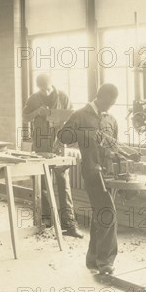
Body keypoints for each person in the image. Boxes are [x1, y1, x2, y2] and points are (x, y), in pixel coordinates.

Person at [55, 83, 120, 275]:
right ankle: (105, 262)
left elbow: (114, 145)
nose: (110, 107)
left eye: (113, 104)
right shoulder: (80, 115)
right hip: (92, 173)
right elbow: (63, 137)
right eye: (108, 102)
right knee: (108, 213)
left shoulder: (111, 119)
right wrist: (85, 134)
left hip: (110, 174)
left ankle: (93, 259)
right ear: (99, 97)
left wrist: (118, 154)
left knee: (101, 214)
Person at [22, 73, 83, 238]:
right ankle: (46, 220)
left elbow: (73, 117)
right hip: (40, 145)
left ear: (52, 85)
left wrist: (64, 133)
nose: (45, 92)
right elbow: (24, 117)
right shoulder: (34, 98)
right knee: (42, 184)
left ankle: (69, 225)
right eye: (42, 90)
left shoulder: (62, 96)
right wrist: (36, 112)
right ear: (38, 88)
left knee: (64, 184)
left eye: (47, 89)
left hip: (58, 144)